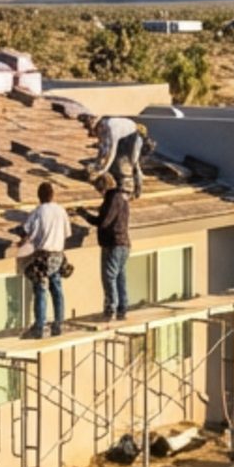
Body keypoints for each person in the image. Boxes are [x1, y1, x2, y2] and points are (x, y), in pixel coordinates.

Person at [16, 181, 69, 338]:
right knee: (56, 288)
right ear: (52, 195)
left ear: (39, 196)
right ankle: (59, 323)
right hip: (58, 255)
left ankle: (40, 326)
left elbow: (27, 231)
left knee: (40, 289)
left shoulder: (38, 212)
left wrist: (21, 240)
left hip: (43, 256)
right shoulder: (61, 210)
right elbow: (67, 233)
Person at [86, 173, 131, 320]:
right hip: (124, 244)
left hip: (113, 243)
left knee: (109, 277)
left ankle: (111, 308)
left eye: (99, 189)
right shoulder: (123, 197)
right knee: (120, 277)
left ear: (103, 187)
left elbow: (104, 221)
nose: (100, 193)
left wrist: (85, 215)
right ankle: (122, 308)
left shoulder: (112, 198)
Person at [85, 114, 145, 197]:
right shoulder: (103, 125)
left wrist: (103, 170)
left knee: (131, 164)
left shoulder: (111, 130)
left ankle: (134, 190)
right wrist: (98, 163)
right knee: (115, 164)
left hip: (133, 137)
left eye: (94, 133)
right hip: (124, 136)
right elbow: (103, 148)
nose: (96, 135)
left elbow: (111, 153)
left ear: (98, 128)